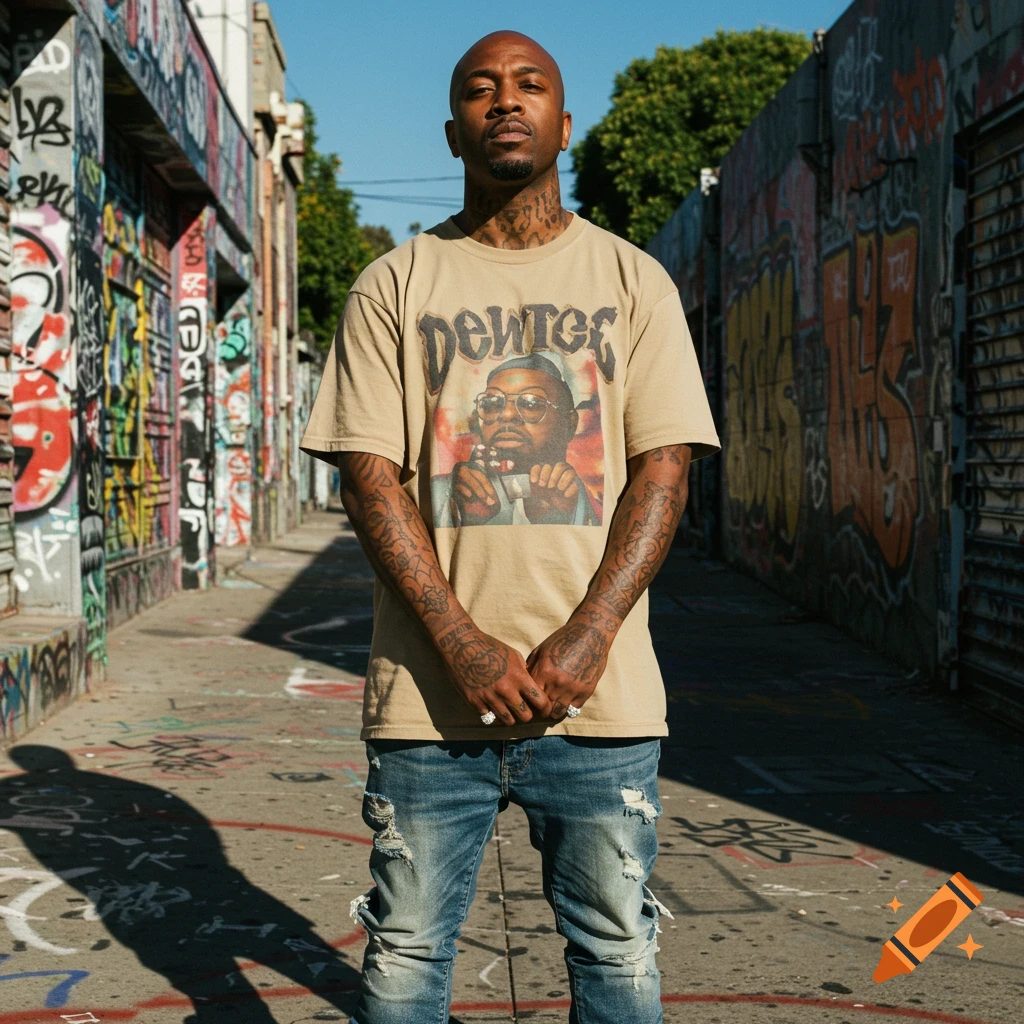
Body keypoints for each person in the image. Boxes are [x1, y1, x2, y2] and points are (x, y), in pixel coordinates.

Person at [300, 28, 720, 1024]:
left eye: (530, 84)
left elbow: (662, 470)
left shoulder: (631, 283)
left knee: (617, 954)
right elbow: (372, 478)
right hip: (429, 707)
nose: (506, 100)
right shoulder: (395, 286)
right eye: (482, 89)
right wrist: (458, 640)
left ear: (563, 123)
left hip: (600, 704)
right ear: (453, 130)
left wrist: (590, 630)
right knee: (404, 956)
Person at [432, 351, 599, 526]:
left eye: (531, 404)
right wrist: (456, 509)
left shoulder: (583, 500)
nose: (506, 414)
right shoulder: (445, 490)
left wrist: (562, 515)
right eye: (491, 404)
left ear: (569, 424)